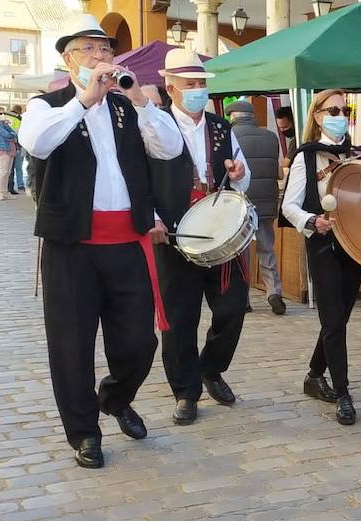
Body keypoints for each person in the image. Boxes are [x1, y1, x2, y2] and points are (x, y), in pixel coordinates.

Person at [19, 14, 184, 469]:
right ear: (69, 59)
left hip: (125, 240)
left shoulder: (126, 103)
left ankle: (115, 397)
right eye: (90, 50)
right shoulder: (45, 104)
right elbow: (37, 143)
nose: (101, 57)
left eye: (106, 50)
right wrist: (84, 100)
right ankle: (84, 431)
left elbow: (169, 149)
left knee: (138, 343)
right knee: (71, 344)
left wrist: (143, 102)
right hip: (71, 244)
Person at [150, 48, 251, 425]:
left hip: (219, 233)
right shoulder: (155, 125)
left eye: (201, 84)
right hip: (175, 235)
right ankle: (185, 391)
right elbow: (140, 178)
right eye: (189, 84)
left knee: (232, 306)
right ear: (170, 88)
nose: (197, 90)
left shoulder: (221, 127)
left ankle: (210, 368)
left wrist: (239, 173)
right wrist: (154, 218)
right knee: (179, 318)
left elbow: (243, 177)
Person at [281, 89, 361, 425]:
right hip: (323, 244)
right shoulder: (305, 157)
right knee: (333, 320)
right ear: (317, 116)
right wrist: (312, 221)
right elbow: (289, 206)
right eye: (332, 110)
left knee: (339, 318)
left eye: (345, 110)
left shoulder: (358, 153)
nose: (340, 116)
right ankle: (343, 393)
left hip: (356, 245)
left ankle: (315, 375)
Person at [224, 98, 286, 315]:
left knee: (241, 252)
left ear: (233, 117)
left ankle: (244, 298)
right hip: (267, 202)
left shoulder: (229, 137)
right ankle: (274, 292)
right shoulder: (270, 137)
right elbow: (279, 172)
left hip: (240, 204)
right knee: (266, 248)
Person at [0, 112, 17, 200]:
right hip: (3, 149)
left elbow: (13, 133)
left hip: (11, 148)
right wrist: (12, 135)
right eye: (0, 113)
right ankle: (0, 192)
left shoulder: (4, 124)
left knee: (8, 172)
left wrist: (11, 134)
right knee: (3, 171)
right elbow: (7, 134)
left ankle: (5, 192)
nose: (3, 115)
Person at [8, 104, 25, 194]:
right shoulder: (19, 119)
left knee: (8, 168)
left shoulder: (4, 116)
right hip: (18, 145)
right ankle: (20, 185)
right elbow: (20, 132)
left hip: (7, 146)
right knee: (19, 167)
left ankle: (9, 185)